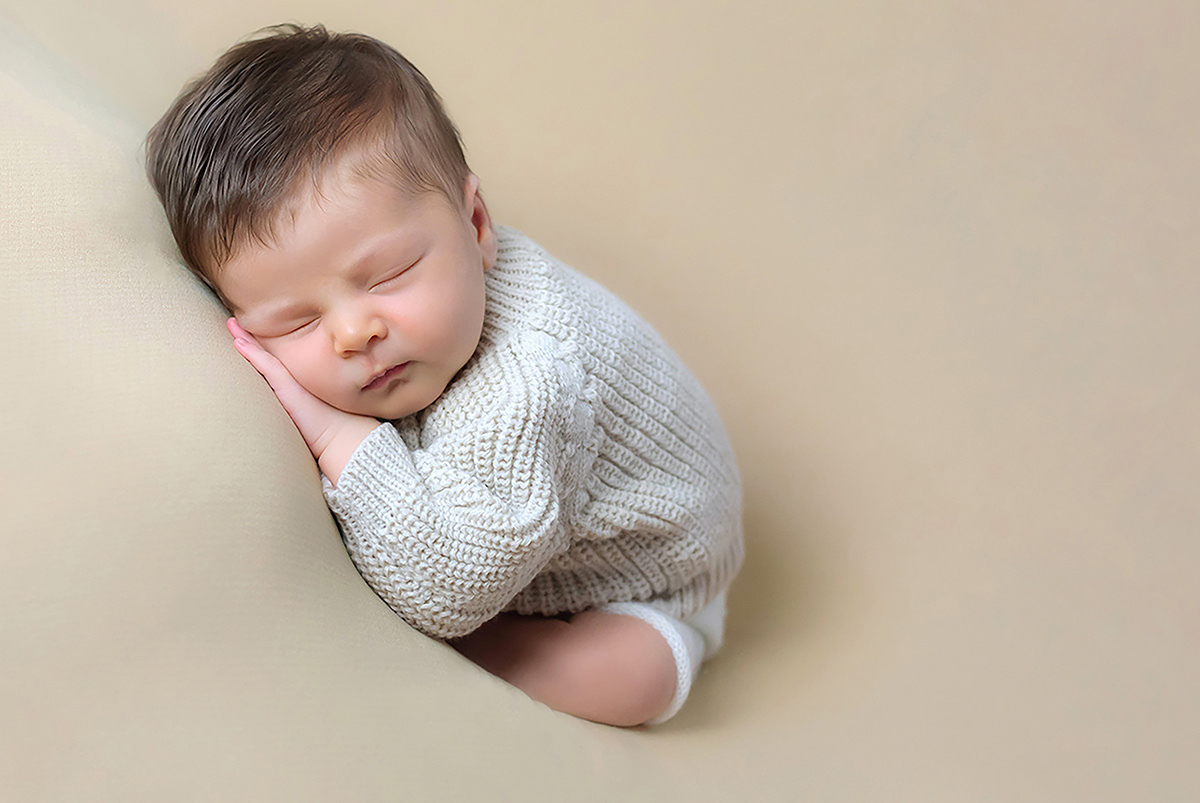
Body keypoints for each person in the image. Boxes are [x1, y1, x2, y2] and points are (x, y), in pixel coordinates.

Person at [145, 23, 744, 728]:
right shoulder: (431, 323)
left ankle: (516, 650)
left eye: (389, 275)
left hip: (647, 577)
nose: (352, 332)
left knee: (635, 675)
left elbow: (448, 586)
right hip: (518, 524)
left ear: (478, 223)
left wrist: (341, 438)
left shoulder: (530, 380)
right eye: (295, 323)